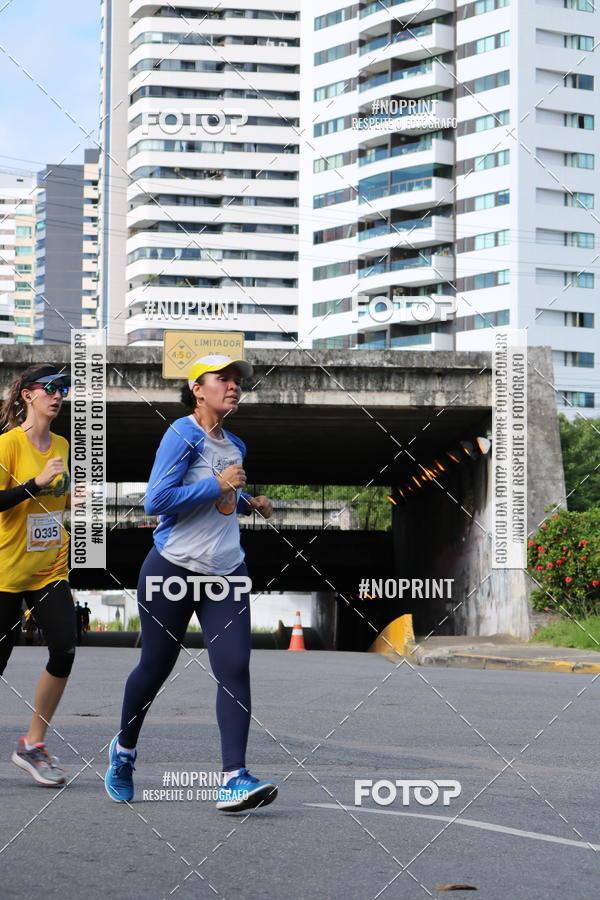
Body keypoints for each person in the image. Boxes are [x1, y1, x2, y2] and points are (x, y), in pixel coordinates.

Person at [105, 354, 278, 812]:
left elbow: (223, 498)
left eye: (238, 380)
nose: (234, 386)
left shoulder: (235, 443)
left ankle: (234, 778)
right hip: (172, 570)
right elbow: (156, 500)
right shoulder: (182, 433)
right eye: (223, 379)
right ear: (198, 389)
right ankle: (123, 753)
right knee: (154, 668)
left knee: (235, 667)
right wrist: (218, 483)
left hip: (226, 572)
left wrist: (249, 503)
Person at [0, 364, 74, 786]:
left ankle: (32, 744)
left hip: (49, 569)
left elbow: (53, 504)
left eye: (62, 389)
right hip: (5, 573)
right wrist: (33, 483)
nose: (58, 395)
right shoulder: (8, 445)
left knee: (64, 650)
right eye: (50, 388)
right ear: (27, 395)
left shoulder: (62, 443)